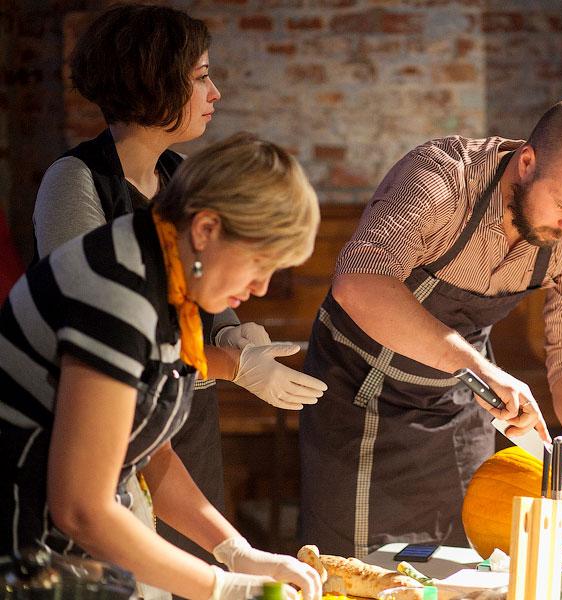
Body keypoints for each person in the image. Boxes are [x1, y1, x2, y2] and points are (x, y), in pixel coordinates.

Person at [31, 4, 324, 566]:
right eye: (200, 77)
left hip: (175, 420)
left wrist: (233, 334)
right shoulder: (78, 184)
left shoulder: (178, 175)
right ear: (154, 81)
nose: (215, 93)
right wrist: (233, 365)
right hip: (97, 437)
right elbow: (100, 336)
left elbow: (201, 290)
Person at [298, 78, 562, 558]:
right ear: (526, 162)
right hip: (359, 396)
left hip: (458, 407)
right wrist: (478, 367)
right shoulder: (442, 179)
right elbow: (358, 283)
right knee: (355, 572)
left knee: (460, 569)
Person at [1, 133, 324, 600]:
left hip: (71, 559)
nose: (261, 287)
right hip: (25, 559)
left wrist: (236, 551)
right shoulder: (118, 291)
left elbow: (152, 451)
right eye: (260, 263)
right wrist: (222, 586)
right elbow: (82, 509)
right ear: (206, 229)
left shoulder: (163, 274)